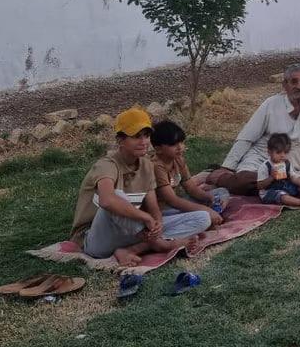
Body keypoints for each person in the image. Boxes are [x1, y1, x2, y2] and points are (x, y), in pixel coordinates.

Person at [70, 107, 210, 266]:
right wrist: (146, 218)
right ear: (120, 140)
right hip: (96, 239)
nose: (143, 142)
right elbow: (107, 201)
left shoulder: (146, 165)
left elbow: (153, 205)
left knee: (202, 218)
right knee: (117, 197)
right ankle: (161, 244)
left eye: (146, 136)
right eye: (136, 137)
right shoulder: (107, 165)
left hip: (132, 232)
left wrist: (157, 223)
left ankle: (133, 249)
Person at [213, 63, 300, 196]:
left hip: (293, 168)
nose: (299, 86)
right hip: (260, 159)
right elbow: (247, 137)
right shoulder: (271, 104)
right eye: (294, 82)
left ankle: (276, 187)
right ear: (285, 84)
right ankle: (219, 177)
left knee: (284, 184)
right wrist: (228, 166)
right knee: (245, 181)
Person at [151, 120, 228, 227]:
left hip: (178, 204)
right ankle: (208, 216)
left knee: (221, 193)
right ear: (158, 149)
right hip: (165, 211)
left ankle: (214, 213)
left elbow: (191, 189)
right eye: (173, 144)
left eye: (181, 142)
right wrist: (205, 209)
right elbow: (172, 200)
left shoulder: (178, 160)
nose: (180, 147)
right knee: (202, 218)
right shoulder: (157, 167)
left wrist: (208, 197)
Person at [256, 133, 300, 208]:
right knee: (282, 195)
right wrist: (271, 177)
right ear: (269, 152)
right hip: (270, 192)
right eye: (278, 153)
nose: (282, 155)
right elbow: (259, 186)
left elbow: (294, 178)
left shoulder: (286, 163)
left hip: (285, 187)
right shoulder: (265, 166)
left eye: (285, 152)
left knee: (299, 184)